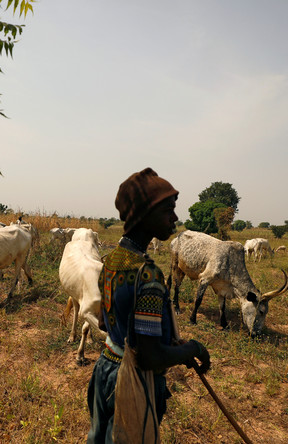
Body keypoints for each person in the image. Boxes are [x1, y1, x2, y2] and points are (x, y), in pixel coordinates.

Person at [87, 168, 211, 443]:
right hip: (132, 383)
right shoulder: (148, 275)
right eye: (168, 209)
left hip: (105, 371)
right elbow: (148, 357)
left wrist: (165, 343)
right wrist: (194, 348)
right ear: (145, 215)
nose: (175, 217)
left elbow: (103, 323)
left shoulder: (111, 262)